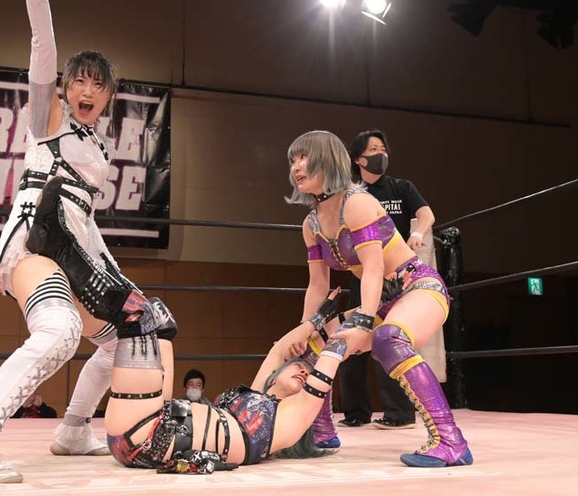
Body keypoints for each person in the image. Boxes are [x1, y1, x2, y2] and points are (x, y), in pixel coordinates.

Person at [0, 0, 176, 484]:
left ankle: (72, 430)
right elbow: (42, 44)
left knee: (124, 336)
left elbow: (84, 222)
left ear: (110, 96)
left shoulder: (98, 146)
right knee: (60, 331)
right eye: (79, 82)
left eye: (98, 85)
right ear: (66, 88)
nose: (87, 91)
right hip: (34, 243)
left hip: (79, 249)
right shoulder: (48, 122)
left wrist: (117, 276)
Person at [285, 130, 471, 467]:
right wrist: (304, 328)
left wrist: (362, 322)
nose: (296, 167)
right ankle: (321, 432)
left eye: (304, 157)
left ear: (328, 160)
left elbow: (373, 268)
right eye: (292, 160)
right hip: (384, 300)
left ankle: (450, 441)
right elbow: (317, 285)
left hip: (419, 287)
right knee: (315, 343)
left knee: (388, 337)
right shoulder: (310, 224)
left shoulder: (357, 203)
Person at [103, 290, 348, 473]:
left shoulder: (288, 424)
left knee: (138, 315)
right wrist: (320, 316)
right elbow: (279, 350)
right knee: (160, 318)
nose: (305, 372)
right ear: (274, 377)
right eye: (299, 366)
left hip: (149, 439)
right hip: (152, 419)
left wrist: (356, 326)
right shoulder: (257, 396)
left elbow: (323, 374)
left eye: (308, 375)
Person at [338, 129, 437, 430]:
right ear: (358, 158)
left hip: (396, 275)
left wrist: (417, 233)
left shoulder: (400, 187)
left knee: (388, 336)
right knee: (353, 336)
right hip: (363, 273)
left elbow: (427, 214)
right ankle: (356, 412)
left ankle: (400, 413)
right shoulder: (350, 194)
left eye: (383, 149)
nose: (381, 154)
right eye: (373, 149)